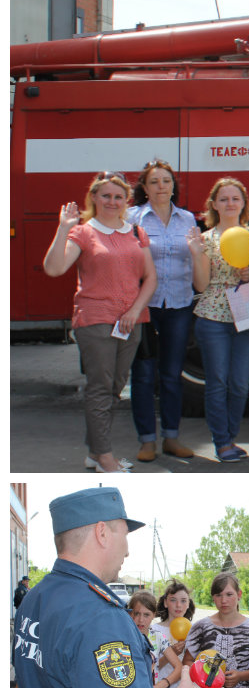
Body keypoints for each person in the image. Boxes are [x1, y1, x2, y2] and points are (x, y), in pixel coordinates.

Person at [12, 487, 222, 688]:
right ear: (102, 533)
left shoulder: (34, 598)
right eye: (124, 535)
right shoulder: (101, 617)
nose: (127, 550)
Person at [43, 172, 156, 474]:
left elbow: (150, 278)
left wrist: (134, 311)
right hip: (95, 320)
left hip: (131, 321)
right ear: (93, 197)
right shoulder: (82, 232)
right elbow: (54, 269)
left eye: (118, 197)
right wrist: (63, 228)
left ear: (126, 201)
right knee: (100, 388)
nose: (112, 201)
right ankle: (105, 457)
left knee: (115, 388)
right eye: (106, 195)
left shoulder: (136, 232)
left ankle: (95, 452)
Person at [187, 178, 249, 462]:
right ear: (214, 204)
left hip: (246, 313)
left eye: (235, 198)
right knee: (218, 382)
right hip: (213, 317)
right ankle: (222, 442)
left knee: (239, 383)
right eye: (224, 199)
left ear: (244, 203)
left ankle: (230, 437)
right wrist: (197, 255)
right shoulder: (205, 240)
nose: (230, 203)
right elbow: (200, 285)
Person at [127, 159, 195, 463]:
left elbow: (195, 259)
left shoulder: (188, 218)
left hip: (178, 304)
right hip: (144, 305)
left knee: (171, 375)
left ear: (173, 185)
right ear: (144, 187)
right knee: (142, 374)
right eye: (154, 182)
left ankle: (171, 437)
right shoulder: (132, 218)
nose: (161, 187)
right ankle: (147, 441)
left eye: (166, 181)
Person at [150, 579, 195, 688]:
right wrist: (172, 653)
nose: (178, 605)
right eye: (173, 600)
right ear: (165, 603)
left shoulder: (194, 632)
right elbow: (151, 666)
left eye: (183, 601)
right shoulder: (154, 631)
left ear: (188, 604)